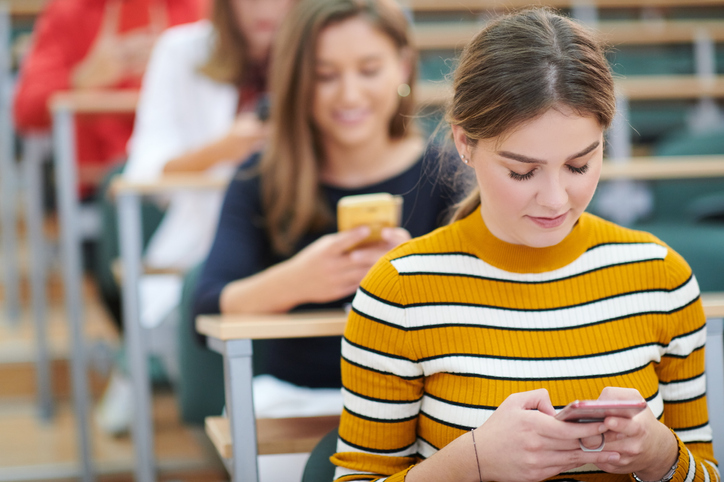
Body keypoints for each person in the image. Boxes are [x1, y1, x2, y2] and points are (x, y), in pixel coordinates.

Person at [331, 8, 719, 482]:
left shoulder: (662, 277)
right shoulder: (399, 291)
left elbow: (703, 471)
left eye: (580, 165)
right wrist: (472, 462)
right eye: (521, 171)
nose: (555, 199)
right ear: (464, 143)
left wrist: (662, 455)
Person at [193, 0, 457, 416]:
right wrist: (301, 280)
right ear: (297, 80)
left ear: (403, 67)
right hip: (296, 399)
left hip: (429, 400)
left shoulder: (448, 174)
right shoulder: (259, 178)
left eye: (369, 70)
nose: (349, 94)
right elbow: (206, 305)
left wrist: (414, 278)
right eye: (324, 76)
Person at [95, 0, 296, 435]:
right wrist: (223, 149)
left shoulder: (324, 43)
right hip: (202, 243)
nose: (267, 7)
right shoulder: (181, 51)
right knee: (199, 336)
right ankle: (141, 370)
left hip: (300, 237)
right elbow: (148, 173)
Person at [13, 0, 207, 197]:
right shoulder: (69, 10)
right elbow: (25, 109)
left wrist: (175, 69)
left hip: (189, 169)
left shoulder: (199, 8)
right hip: (100, 180)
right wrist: (81, 79)